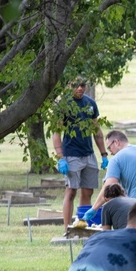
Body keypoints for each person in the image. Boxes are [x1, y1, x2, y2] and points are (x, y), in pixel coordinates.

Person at [52, 79, 108, 231]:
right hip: (71, 155)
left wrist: (103, 154)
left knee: (88, 191)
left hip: (88, 154)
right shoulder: (63, 105)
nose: (80, 88)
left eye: (82, 85)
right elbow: (56, 132)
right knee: (71, 191)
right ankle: (67, 229)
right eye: (76, 85)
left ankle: (83, 226)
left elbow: (96, 130)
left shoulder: (90, 104)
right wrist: (61, 157)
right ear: (68, 85)